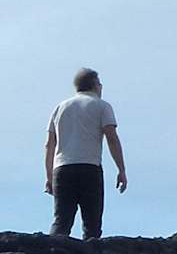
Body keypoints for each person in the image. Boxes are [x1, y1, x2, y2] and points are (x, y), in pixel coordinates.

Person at [43, 68, 125, 241]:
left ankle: (52, 252)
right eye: (100, 84)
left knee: (61, 221)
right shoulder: (101, 106)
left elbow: (49, 144)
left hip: (62, 169)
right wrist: (121, 170)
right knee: (92, 225)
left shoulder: (60, 108)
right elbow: (112, 138)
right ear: (95, 85)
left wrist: (49, 177)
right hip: (89, 167)